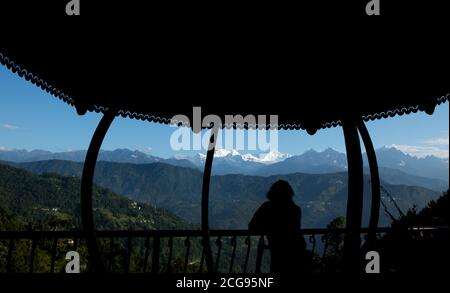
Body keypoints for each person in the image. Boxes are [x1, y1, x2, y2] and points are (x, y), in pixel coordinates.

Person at [249, 180, 307, 273]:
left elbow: (252, 226)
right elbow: (296, 230)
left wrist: (268, 228)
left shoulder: (267, 207)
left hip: (278, 250)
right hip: (298, 249)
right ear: (290, 193)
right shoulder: (296, 209)